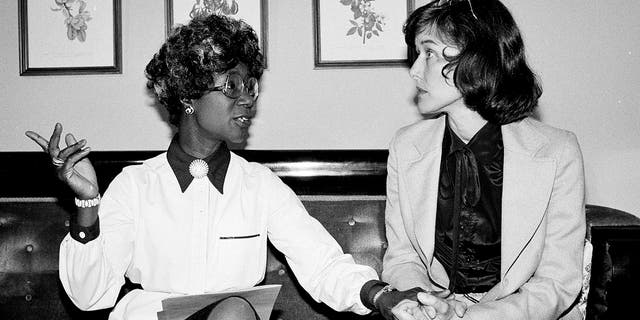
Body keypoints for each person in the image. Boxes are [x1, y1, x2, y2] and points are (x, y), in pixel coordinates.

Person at [25, 14, 447, 320]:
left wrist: (382, 296)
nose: (247, 98)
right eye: (231, 85)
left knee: (231, 313)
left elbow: (322, 264)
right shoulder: (136, 185)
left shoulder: (258, 185)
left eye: (251, 85)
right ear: (189, 95)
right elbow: (88, 296)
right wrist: (87, 205)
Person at [381, 0, 586, 319]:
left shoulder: (558, 151)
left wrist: (473, 317)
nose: (415, 70)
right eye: (417, 54)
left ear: (479, 60)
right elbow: (402, 259)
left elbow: (557, 282)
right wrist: (428, 306)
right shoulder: (406, 146)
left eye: (430, 53)